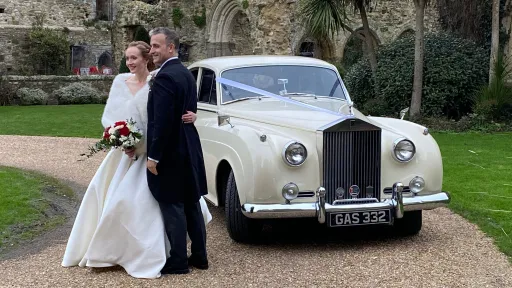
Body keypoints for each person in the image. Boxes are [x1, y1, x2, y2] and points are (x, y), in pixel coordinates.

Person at [61, 41, 212, 279]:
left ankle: (168, 254)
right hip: (130, 155)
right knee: (119, 201)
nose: (130, 62)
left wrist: (193, 114)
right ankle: (117, 250)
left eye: (134, 58)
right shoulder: (120, 81)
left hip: (157, 153)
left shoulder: (158, 79)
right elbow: (110, 118)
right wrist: (122, 141)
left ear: (146, 59)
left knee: (166, 204)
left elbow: (168, 114)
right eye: (127, 58)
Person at [146, 27, 209, 275]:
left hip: (171, 151)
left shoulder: (164, 77)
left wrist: (154, 156)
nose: (152, 51)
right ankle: (201, 257)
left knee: (173, 204)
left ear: (170, 47)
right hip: (189, 147)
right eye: (151, 46)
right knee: (192, 202)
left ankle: (178, 261)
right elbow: (188, 111)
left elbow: (161, 122)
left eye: (156, 46)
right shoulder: (185, 73)